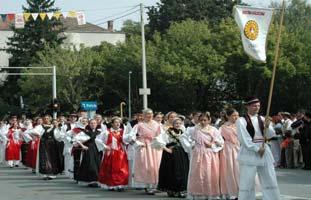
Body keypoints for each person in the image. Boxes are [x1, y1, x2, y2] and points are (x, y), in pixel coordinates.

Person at [236, 96, 281, 200]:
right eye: (254, 105)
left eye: (258, 106)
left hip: (264, 149)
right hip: (249, 152)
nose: (257, 107)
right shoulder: (241, 120)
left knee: (269, 177)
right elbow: (244, 138)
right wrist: (256, 149)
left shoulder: (262, 119)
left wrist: (267, 126)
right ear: (247, 106)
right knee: (247, 180)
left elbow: (270, 135)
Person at [187, 112, 224, 199]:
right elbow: (184, 138)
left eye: (205, 120)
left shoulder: (214, 130)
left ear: (209, 120)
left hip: (210, 154)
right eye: (201, 120)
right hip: (198, 153)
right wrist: (191, 145)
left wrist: (213, 145)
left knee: (210, 173)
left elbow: (221, 142)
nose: (203, 122)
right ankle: (198, 193)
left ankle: (211, 193)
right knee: (198, 173)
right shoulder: (193, 129)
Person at [126, 108, 163, 194]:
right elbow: (131, 136)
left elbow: (162, 135)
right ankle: (147, 186)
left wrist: (159, 142)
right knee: (145, 166)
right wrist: (137, 143)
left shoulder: (157, 125)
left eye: (151, 114)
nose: (149, 116)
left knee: (155, 165)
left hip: (154, 146)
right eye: (147, 114)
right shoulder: (139, 125)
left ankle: (155, 185)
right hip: (144, 146)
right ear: (143, 115)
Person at [152, 117, 189, 198]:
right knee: (172, 171)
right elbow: (158, 140)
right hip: (171, 154)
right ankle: (172, 190)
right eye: (176, 123)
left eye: (179, 123)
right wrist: (166, 149)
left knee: (182, 171)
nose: (178, 125)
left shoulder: (183, 132)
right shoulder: (168, 132)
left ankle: (180, 190)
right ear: (173, 124)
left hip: (181, 154)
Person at [98, 117, 129, 191]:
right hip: (111, 153)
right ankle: (111, 185)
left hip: (121, 153)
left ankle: (120, 185)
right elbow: (98, 139)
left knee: (121, 169)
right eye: (116, 122)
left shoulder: (123, 132)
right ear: (112, 123)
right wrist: (105, 146)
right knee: (110, 169)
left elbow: (127, 141)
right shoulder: (107, 132)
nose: (118, 124)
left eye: (119, 122)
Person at [219, 108, 240, 200]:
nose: (236, 117)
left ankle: (242, 190)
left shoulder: (240, 125)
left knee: (240, 169)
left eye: (237, 115)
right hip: (228, 149)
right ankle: (231, 191)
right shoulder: (223, 127)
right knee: (230, 169)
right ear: (228, 116)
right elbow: (218, 139)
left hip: (239, 148)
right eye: (234, 115)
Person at [76, 119, 102, 187]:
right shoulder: (86, 132)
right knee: (90, 164)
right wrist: (83, 146)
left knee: (97, 164)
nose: (93, 124)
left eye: (94, 123)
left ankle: (97, 180)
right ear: (89, 124)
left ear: (96, 124)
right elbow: (76, 139)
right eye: (91, 123)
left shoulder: (99, 132)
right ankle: (91, 181)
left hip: (97, 149)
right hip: (89, 149)